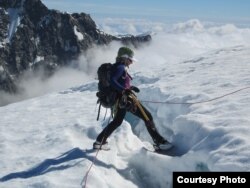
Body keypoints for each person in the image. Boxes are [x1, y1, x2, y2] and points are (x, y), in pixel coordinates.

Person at [93, 47, 172, 150]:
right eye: (130, 59)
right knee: (147, 116)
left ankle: (100, 142)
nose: (131, 62)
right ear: (124, 57)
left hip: (120, 99)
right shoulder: (121, 67)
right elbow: (113, 81)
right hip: (124, 99)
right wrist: (124, 90)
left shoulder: (117, 67)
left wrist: (129, 88)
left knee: (117, 121)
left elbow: (117, 82)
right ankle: (160, 142)